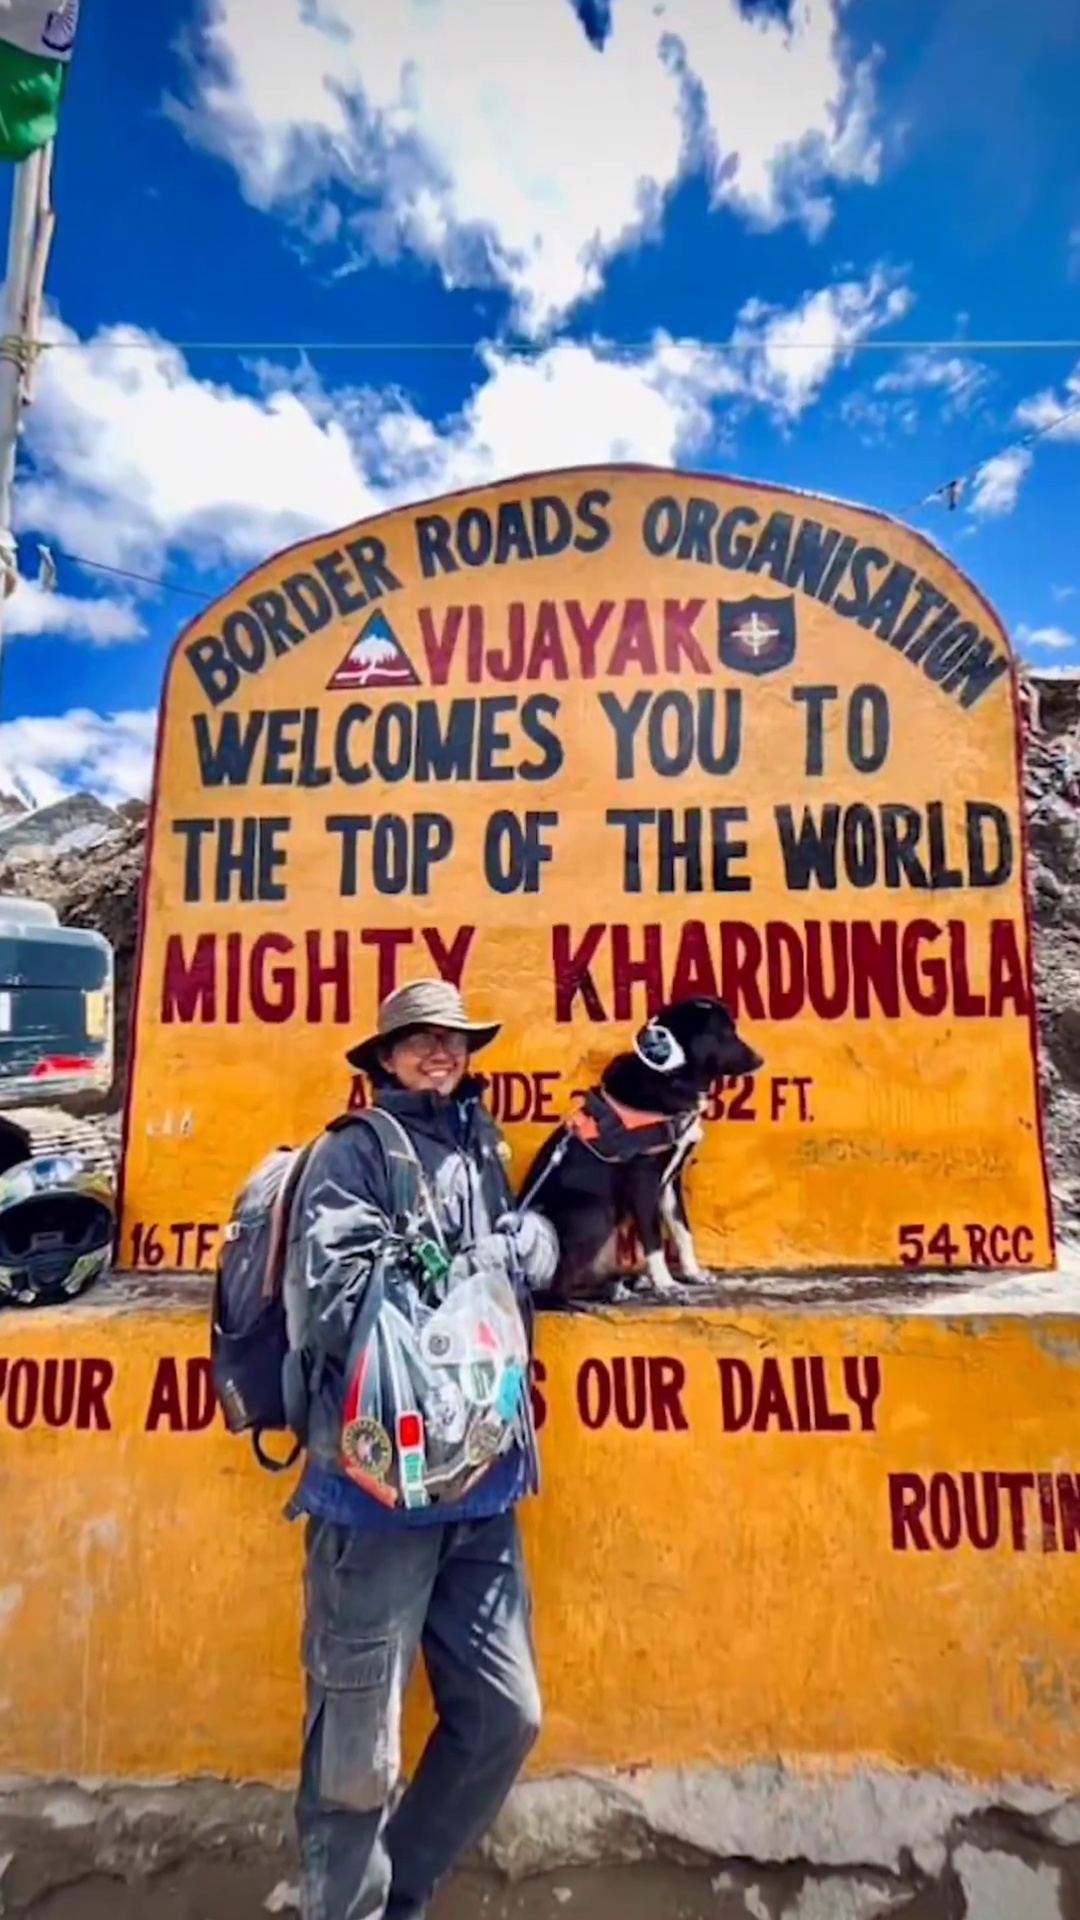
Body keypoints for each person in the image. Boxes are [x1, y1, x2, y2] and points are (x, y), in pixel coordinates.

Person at [282, 979, 559, 1920]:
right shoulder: (349, 1154)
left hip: (481, 1487)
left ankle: (395, 1896)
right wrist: (476, 1264)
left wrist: (535, 1245)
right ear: (385, 1060)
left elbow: (508, 1290)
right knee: (359, 1747)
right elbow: (331, 1296)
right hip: (377, 1496)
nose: (440, 1053)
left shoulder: (482, 1146)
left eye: (453, 1039)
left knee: (502, 1716)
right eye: (418, 1041)